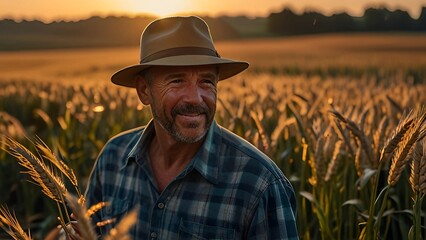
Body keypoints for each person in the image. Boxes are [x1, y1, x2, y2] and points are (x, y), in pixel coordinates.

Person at [83, 15, 298, 239]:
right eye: (177, 81)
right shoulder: (112, 158)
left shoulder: (259, 183)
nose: (195, 98)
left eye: (206, 81)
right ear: (144, 91)